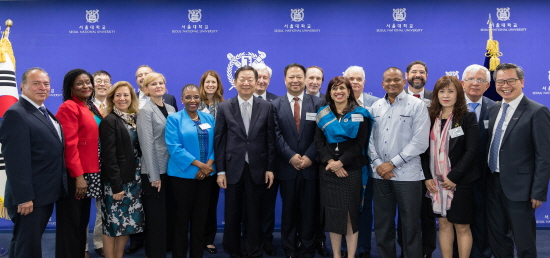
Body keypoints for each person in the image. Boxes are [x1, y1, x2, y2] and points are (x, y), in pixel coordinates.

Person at [0, 68, 66, 258]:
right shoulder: (16, 114)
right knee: (27, 246)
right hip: (29, 198)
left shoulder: (42, 111)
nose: (42, 88)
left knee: (23, 242)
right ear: (23, 86)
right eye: (36, 83)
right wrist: (24, 197)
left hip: (43, 193)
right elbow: (16, 161)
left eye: (46, 84)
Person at [486, 63, 550, 258]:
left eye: (510, 80)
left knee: (524, 241)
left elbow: (544, 155)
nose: (505, 85)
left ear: (522, 82)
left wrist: (538, 191)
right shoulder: (495, 109)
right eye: (500, 81)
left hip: (521, 189)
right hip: (492, 183)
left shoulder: (537, 111)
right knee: (497, 237)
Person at [215, 66, 276, 258]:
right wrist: (221, 171)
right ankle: (233, 250)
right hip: (232, 169)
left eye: (251, 79)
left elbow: (270, 140)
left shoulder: (267, 106)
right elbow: (219, 140)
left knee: (254, 213)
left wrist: (270, 168)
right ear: (235, 82)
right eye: (242, 79)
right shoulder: (224, 107)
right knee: (232, 214)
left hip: (257, 168)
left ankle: (253, 250)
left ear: (257, 81)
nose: (246, 82)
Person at [368, 67, 430, 258]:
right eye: (388, 80)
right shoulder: (375, 107)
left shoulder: (417, 105)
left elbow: (420, 142)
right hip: (380, 175)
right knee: (383, 224)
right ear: (382, 84)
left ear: (404, 82)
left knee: (410, 225)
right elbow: (368, 140)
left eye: (396, 80)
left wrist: (392, 163)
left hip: (408, 176)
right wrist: (380, 164)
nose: (392, 83)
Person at [314, 76, 373, 258]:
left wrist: (341, 162)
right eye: (334, 88)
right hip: (329, 172)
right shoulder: (322, 113)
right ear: (330, 92)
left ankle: (351, 254)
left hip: (352, 171)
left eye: (342, 88)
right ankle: (337, 255)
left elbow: (360, 144)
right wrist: (331, 162)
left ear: (349, 91)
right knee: (333, 216)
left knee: (350, 216)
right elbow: (318, 141)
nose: (338, 92)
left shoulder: (361, 113)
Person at [272, 63, 325, 258]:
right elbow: (275, 134)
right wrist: (291, 156)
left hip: (311, 168)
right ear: (285, 80)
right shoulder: (275, 105)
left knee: (310, 212)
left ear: (305, 80)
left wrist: (310, 156)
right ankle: (289, 248)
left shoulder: (318, 104)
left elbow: (321, 134)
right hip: (287, 168)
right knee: (288, 212)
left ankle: (307, 248)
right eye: (291, 77)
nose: (295, 80)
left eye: (299, 77)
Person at [424, 76, 479, 258]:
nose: (445, 95)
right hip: (436, 183)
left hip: (460, 181)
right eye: (441, 91)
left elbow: (471, 151)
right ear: (436, 94)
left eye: (450, 91)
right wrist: (427, 177)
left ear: (458, 93)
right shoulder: (430, 117)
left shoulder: (467, 117)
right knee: (444, 224)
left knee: (462, 226)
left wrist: (453, 177)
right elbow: (423, 150)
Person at [129, 65, 177, 254]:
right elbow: (146, 145)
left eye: (161, 83)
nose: (158, 86)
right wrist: (153, 175)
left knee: (168, 213)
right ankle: (155, 252)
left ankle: (167, 247)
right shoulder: (145, 111)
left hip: (172, 169)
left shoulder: (171, 107)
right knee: (156, 217)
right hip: (154, 171)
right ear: (145, 88)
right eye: (153, 84)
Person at [55, 69, 103, 258]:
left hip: (90, 173)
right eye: (80, 83)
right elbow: (69, 145)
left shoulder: (88, 106)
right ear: (70, 87)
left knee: (80, 224)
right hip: (77, 176)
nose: (86, 86)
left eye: (88, 82)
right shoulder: (69, 107)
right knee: (71, 227)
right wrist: (79, 177)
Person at [165, 84, 216, 258]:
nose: (192, 100)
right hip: (182, 177)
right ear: (182, 100)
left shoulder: (208, 118)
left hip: (206, 177)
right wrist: (202, 166)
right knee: (181, 221)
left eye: (195, 97)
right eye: (188, 97)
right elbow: (175, 148)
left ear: (200, 99)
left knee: (200, 220)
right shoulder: (174, 119)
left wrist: (208, 166)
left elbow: (217, 144)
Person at [99, 81, 145, 258]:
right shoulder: (109, 120)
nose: (122, 98)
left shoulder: (134, 118)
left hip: (134, 179)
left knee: (127, 224)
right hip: (116, 182)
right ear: (112, 98)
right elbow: (109, 157)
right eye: (118, 95)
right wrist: (116, 186)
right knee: (112, 225)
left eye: (126, 95)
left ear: (131, 97)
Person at [341, 65, 379, 258]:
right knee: (343, 208)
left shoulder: (376, 104)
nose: (355, 82)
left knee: (365, 207)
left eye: (358, 79)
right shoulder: (335, 103)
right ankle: (344, 247)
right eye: (351, 79)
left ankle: (363, 248)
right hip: (343, 166)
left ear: (364, 82)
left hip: (368, 166)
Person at [400, 60, 436, 258]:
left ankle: (427, 251)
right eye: (414, 72)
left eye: (422, 72)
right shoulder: (395, 97)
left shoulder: (436, 98)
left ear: (426, 76)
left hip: (431, 165)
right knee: (406, 214)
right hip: (403, 164)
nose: (417, 75)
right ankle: (406, 250)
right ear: (406, 76)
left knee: (428, 213)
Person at [460, 64, 495, 258]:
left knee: (483, 220)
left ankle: (482, 254)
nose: (475, 83)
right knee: (460, 221)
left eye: (480, 80)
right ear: (462, 83)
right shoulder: (451, 106)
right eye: (471, 79)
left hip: (485, 176)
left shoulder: (495, 108)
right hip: (457, 176)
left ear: (488, 85)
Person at [245, 62, 279, 256]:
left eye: (266, 77)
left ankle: (266, 239)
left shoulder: (277, 101)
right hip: (244, 167)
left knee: (267, 206)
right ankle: (248, 239)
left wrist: (271, 166)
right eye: (258, 76)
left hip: (268, 165)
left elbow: (275, 136)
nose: (262, 80)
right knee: (246, 207)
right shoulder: (239, 100)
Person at [197, 70, 224, 254]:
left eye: (213, 82)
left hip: (216, 162)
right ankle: (196, 239)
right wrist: (200, 164)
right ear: (203, 84)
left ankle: (208, 239)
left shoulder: (224, 106)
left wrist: (211, 164)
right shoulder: (194, 104)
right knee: (196, 204)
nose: (210, 85)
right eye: (207, 82)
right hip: (195, 163)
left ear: (218, 85)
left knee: (211, 204)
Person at [91, 69, 112, 258]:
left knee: (103, 206)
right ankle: (80, 246)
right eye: (98, 80)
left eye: (106, 81)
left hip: (110, 164)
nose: (102, 84)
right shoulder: (84, 106)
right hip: (88, 163)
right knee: (80, 210)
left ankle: (99, 242)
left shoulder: (117, 105)